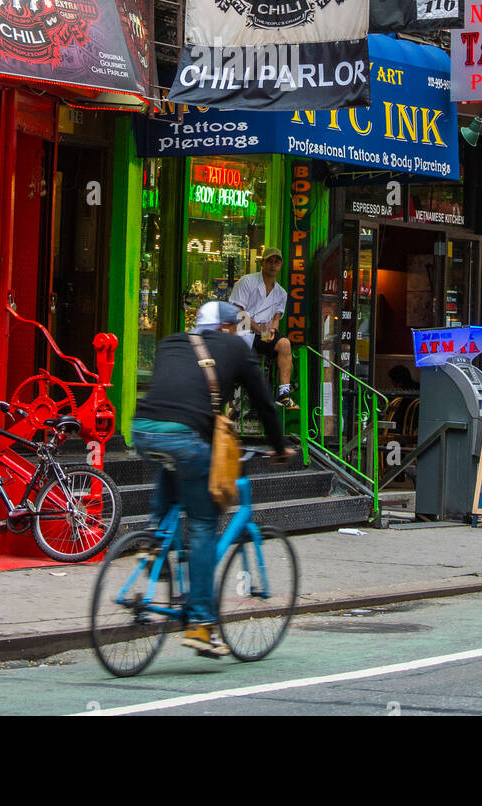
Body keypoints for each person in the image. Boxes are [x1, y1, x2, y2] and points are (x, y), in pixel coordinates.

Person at [131, 300, 293, 658]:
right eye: (236, 326)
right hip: (185, 437)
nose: (240, 333)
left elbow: (173, 393)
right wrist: (280, 448)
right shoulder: (233, 346)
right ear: (224, 328)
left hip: (143, 430)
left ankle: (155, 539)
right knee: (204, 522)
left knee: (174, 467)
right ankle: (202, 625)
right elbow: (264, 404)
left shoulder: (172, 342)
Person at [229, 247, 297, 409]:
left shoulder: (281, 293)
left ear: (280, 265)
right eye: (270, 261)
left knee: (285, 344)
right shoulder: (247, 281)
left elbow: (276, 317)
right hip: (243, 327)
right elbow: (238, 312)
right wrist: (259, 330)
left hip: (264, 330)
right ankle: (235, 399)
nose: (273, 265)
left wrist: (271, 331)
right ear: (262, 263)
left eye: (277, 262)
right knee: (244, 361)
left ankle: (284, 393)